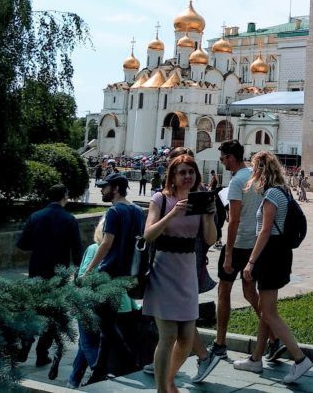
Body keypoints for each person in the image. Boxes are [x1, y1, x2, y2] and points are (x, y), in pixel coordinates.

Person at [233, 151, 313, 384]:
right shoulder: (284, 192)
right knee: (265, 308)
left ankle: (300, 359)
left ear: (260, 169)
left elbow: (265, 230)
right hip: (280, 254)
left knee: (269, 312)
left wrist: (251, 262)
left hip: (270, 255)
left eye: (254, 168)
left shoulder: (270, 195)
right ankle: (256, 359)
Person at [140, 154, 217, 393]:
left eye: (191, 172)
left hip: (187, 269)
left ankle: (169, 379)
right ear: (172, 176)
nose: (187, 177)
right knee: (169, 334)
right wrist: (173, 213)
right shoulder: (160, 199)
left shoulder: (199, 201)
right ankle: (162, 389)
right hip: (164, 268)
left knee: (186, 337)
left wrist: (208, 216)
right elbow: (148, 234)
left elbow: (210, 239)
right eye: (182, 172)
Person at [203, 140, 271, 377]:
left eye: (223, 159)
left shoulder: (236, 181)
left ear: (231, 158)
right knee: (250, 293)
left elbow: (233, 220)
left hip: (239, 243)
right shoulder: (257, 175)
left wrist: (228, 253)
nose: (222, 163)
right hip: (256, 244)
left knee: (224, 291)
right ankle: (273, 337)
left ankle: (220, 343)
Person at [83, 172, 147, 380]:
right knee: (108, 322)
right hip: (128, 273)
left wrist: (88, 270)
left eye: (105, 187)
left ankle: (128, 362)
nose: (102, 190)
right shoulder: (138, 211)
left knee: (105, 323)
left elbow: (106, 243)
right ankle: (99, 371)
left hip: (108, 273)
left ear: (116, 189)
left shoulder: (114, 212)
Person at [15, 184, 83, 371]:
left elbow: (22, 244)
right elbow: (77, 251)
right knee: (53, 314)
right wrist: (78, 273)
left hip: (36, 270)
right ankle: (42, 353)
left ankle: (24, 346)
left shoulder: (36, 217)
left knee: (33, 309)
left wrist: (39, 246)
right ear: (64, 196)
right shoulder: (69, 219)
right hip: (58, 273)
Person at [68, 219, 138, 388]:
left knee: (87, 342)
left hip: (90, 302)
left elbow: (84, 276)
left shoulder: (94, 249)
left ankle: (98, 372)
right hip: (115, 304)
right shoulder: (121, 252)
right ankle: (73, 380)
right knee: (84, 343)